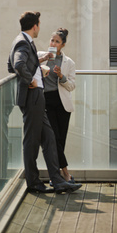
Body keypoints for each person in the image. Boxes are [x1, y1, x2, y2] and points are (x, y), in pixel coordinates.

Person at [7, 11, 81, 194]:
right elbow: (16, 65)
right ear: (35, 26)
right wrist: (31, 80)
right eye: (39, 24)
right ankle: (33, 182)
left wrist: (38, 62)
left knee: (49, 139)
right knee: (31, 141)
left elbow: (14, 65)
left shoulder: (24, 41)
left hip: (39, 99)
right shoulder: (23, 42)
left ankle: (58, 181)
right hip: (33, 98)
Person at [38, 28, 75, 183]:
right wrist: (43, 60)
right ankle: (65, 173)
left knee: (61, 140)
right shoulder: (41, 56)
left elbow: (71, 86)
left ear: (63, 45)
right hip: (46, 101)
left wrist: (61, 76)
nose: (53, 43)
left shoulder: (69, 62)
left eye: (57, 41)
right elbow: (28, 66)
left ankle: (56, 176)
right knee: (53, 138)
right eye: (52, 40)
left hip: (62, 104)